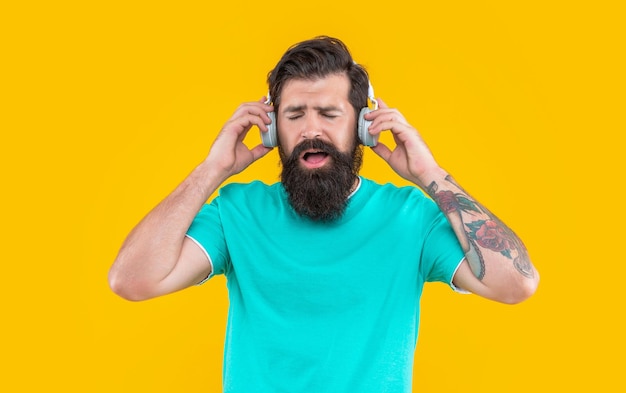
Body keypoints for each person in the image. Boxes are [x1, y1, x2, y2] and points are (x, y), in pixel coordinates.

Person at [109, 36, 539, 392]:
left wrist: (430, 174)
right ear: (274, 129)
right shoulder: (237, 213)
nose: (311, 130)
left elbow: (516, 283)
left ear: (363, 126)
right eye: (295, 115)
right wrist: (212, 170)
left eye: (330, 114)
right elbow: (131, 280)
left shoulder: (411, 219)